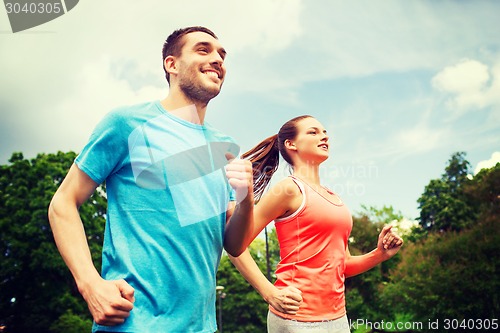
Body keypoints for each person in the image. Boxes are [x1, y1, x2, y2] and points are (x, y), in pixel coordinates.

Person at [48, 26, 253, 333]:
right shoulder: (126, 123)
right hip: (133, 323)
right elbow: (63, 203)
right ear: (171, 65)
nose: (217, 59)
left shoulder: (223, 146)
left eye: (222, 54)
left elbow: (233, 244)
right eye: (203, 49)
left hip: (203, 327)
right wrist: (89, 283)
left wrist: (246, 197)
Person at [229, 115, 403, 333]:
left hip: (338, 318)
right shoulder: (289, 189)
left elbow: (343, 265)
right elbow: (235, 246)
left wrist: (380, 255)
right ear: (291, 144)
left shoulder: (335, 198)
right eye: (313, 132)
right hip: (296, 318)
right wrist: (269, 292)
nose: (324, 136)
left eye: (325, 132)